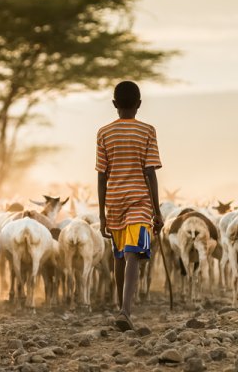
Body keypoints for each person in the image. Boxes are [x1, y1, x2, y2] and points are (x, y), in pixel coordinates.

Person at [96, 80, 163, 331]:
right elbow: (150, 172)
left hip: (114, 201)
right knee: (132, 253)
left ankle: (121, 308)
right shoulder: (147, 131)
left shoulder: (104, 132)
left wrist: (101, 214)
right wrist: (157, 212)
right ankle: (124, 310)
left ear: (114, 105)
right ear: (139, 105)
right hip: (140, 201)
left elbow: (102, 175)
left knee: (120, 254)